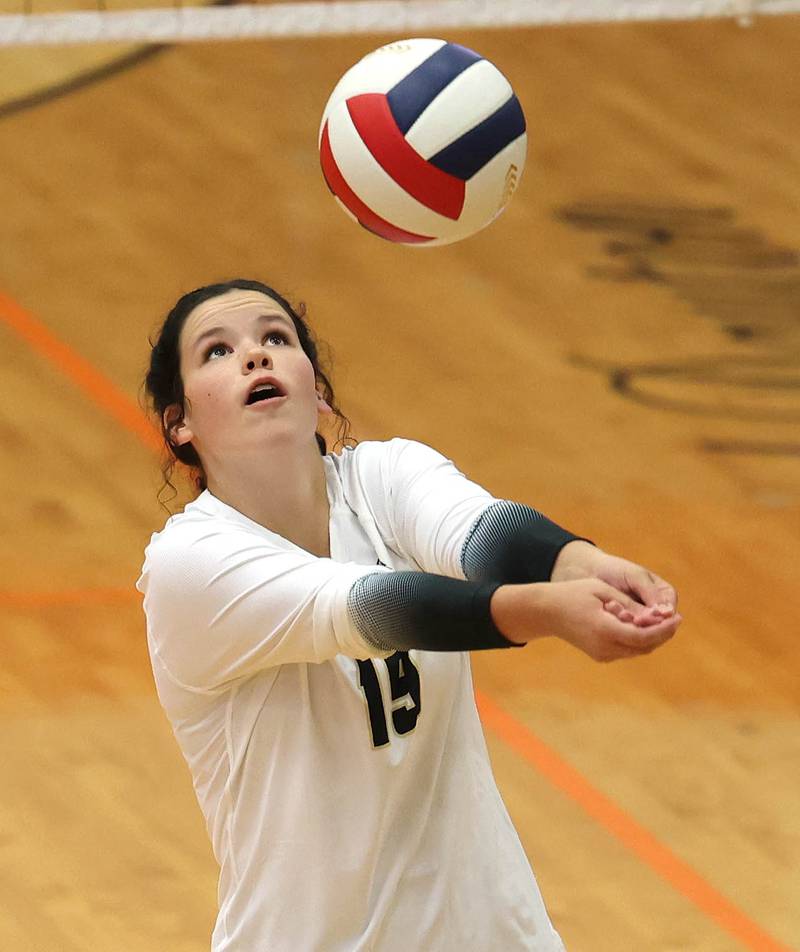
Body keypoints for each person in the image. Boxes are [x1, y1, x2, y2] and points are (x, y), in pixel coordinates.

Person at [137, 279, 681, 952]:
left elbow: (485, 533)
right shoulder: (190, 564)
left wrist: (580, 565)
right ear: (179, 423)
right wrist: (551, 610)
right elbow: (381, 608)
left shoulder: (386, 477)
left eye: (276, 338)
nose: (255, 356)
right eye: (217, 351)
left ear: (320, 391)